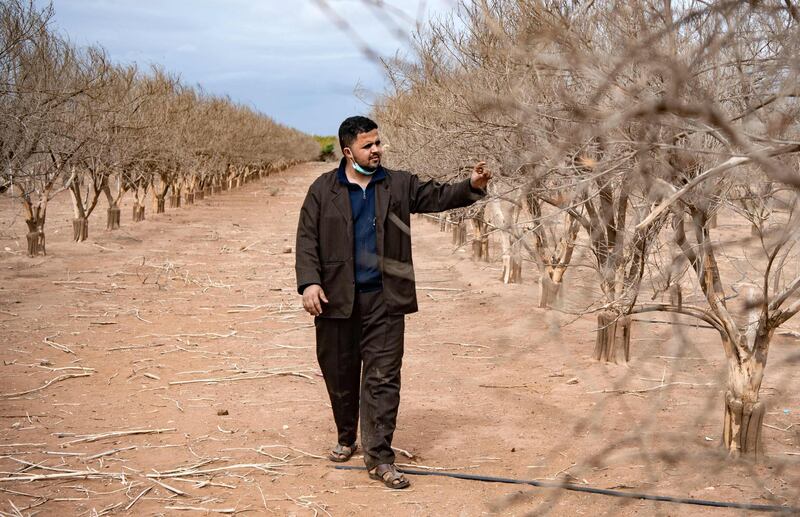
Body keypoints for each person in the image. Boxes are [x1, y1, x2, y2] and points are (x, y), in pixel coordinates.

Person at [295, 115, 491, 489]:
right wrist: (309, 283)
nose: (376, 151)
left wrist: (471, 185)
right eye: (368, 146)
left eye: (378, 143)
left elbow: (438, 195)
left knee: (383, 380)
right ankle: (346, 435)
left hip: (385, 302)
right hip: (336, 302)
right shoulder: (323, 190)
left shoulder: (398, 184)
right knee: (340, 375)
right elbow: (306, 239)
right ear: (348, 150)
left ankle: (380, 457)